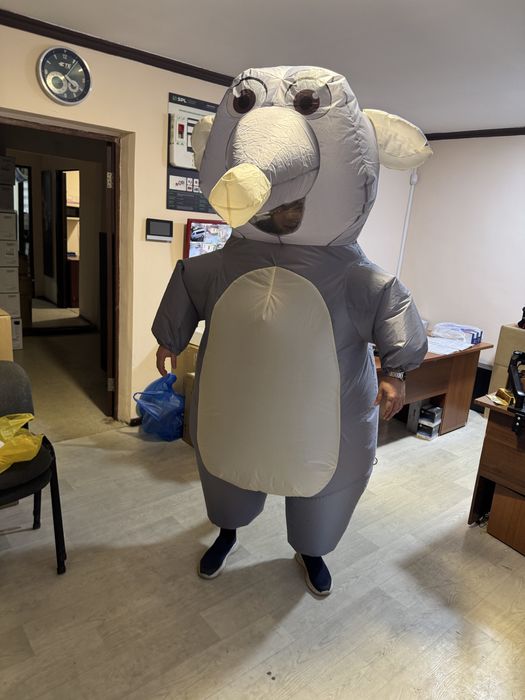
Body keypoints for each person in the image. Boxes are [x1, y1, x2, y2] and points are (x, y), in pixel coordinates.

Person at [153, 65, 430, 596]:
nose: (281, 213)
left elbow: (390, 303)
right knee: (228, 468)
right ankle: (227, 531)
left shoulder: (351, 275)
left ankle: (312, 550)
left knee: (324, 483)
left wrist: (396, 372)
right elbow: (190, 281)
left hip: (322, 415)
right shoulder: (225, 263)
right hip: (237, 408)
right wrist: (170, 335)